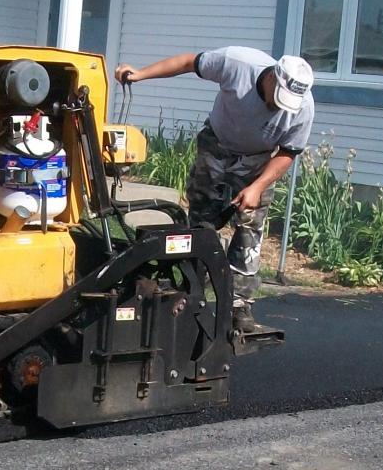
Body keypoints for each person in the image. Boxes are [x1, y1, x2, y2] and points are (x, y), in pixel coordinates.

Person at [114, 47, 314, 333]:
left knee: (249, 230)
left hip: (258, 160)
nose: (281, 107)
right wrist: (141, 74)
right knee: (202, 224)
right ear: (272, 78)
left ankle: (238, 305)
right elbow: (186, 61)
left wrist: (257, 187)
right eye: (279, 98)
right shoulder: (237, 64)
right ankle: (191, 292)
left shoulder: (303, 107)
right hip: (216, 145)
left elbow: (289, 152)